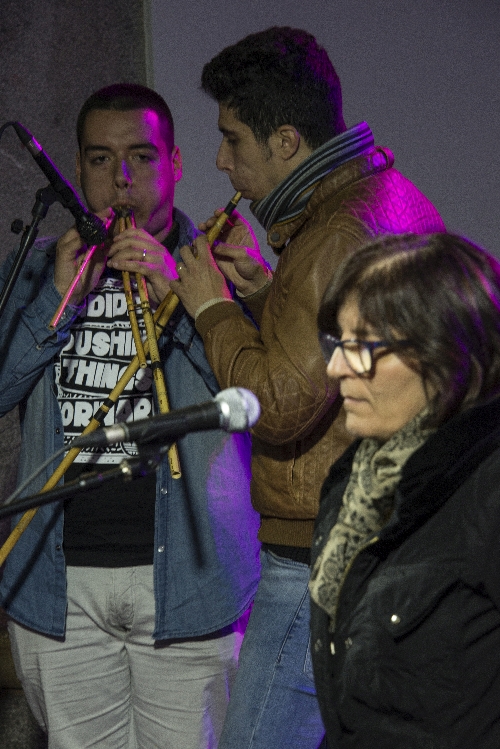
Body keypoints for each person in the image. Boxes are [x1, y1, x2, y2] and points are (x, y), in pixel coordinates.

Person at [170, 26, 446, 749]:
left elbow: (279, 405)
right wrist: (268, 293)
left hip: (319, 554)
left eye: (232, 139)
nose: (221, 160)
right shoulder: (381, 195)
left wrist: (210, 306)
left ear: (287, 141)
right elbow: (345, 355)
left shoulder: (333, 232)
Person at [0, 83, 260, 749]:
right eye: (100, 159)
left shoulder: (220, 265)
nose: (121, 178)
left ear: (175, 163)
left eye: (142, 157)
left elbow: (254, 400)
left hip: (190, 582)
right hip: (59, 584)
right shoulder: (38, 269)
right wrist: (57, 301)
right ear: (77, 168)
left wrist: (188, 294)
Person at [309, 232, 500, 748]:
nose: (335, 368)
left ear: (446, 355)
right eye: (337, 343)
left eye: (362, 346)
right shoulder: (354, 480)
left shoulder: (487, 488)